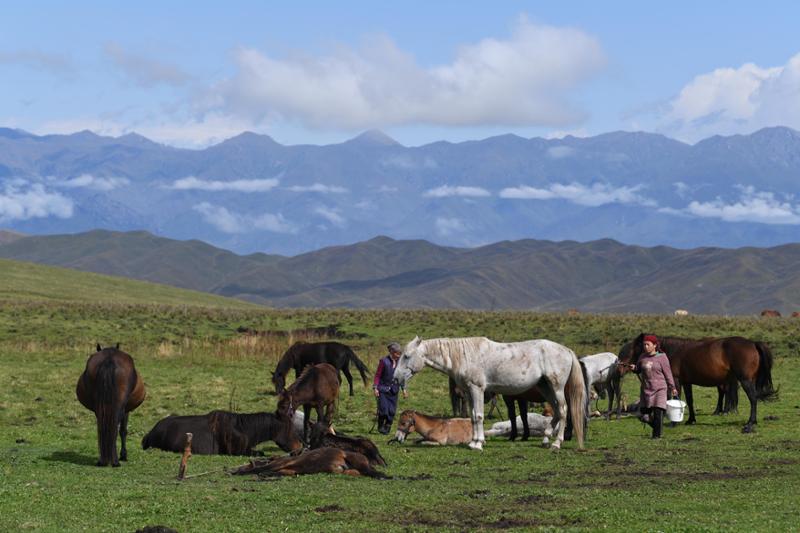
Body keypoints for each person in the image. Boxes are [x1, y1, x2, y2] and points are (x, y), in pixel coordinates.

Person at [628, 334, 678, 438]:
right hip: (646, 390)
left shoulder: (662, 358)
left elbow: (668, 374)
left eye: (648, 344)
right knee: (643, 415)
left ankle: (656, 436)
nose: (645, 347)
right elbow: (638, 369)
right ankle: (657, 428)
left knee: (658, 413)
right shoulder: (642, 357)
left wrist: (672, 387)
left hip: (660, 389)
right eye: (644, 345)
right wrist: (634, 368)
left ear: (655, 345)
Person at [373, 342, 408, 434]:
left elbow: (401, 377)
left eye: (400, 353)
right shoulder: (384, 361)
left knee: (392, 411)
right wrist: (375, 387)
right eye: (397, 353)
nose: (399, 355)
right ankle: (380, 425)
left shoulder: (400, 363)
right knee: (384, 410)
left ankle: (388, 425)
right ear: (392, 352)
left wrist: (404, 389)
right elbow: (377, 375)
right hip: (383, 390)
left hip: (394, 391)